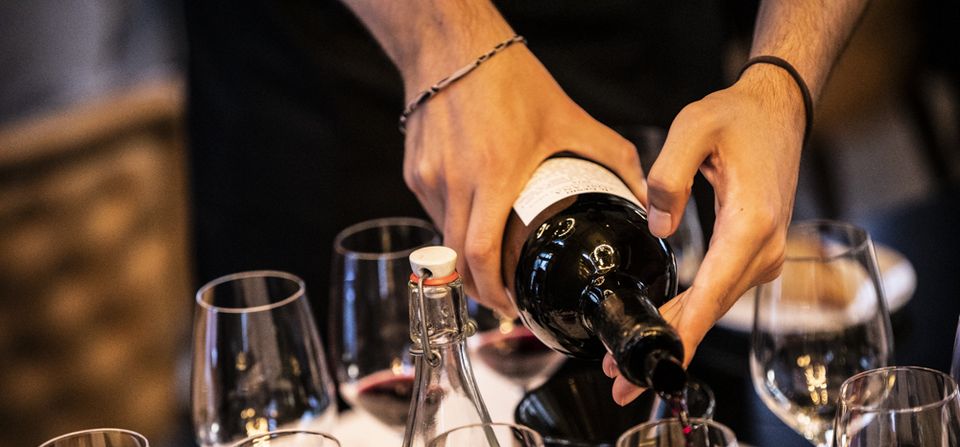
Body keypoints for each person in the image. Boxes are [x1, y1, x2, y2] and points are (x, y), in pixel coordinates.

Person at [184, 1, 869, 405]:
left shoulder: (645, 258)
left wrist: (783, 81)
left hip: (642, 63)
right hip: (351, 85)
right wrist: (441, 33)